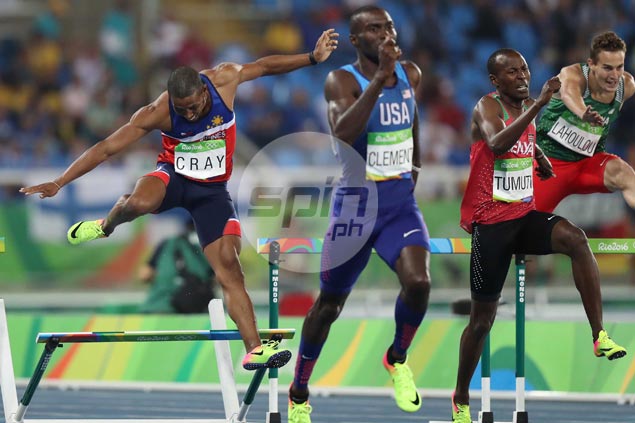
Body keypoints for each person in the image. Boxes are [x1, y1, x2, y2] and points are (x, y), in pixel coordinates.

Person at [19, 29, 339, 371]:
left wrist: (311, 58)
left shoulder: (224, 79)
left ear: (205, 90)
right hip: (172, 178)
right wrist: (59, 181)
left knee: (230, 269)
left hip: (212, 193)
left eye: (194, 107)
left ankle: (254, 350)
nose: (188, 115)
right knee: (137, 204)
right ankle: (104, 226)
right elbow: (107, 148)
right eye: (181, 109)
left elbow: (263, 66)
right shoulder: (157, 111)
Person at [453, 48, 627, 423]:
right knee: (482, 321)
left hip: (523, 216)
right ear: (496, 81)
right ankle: (461, 398)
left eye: (525, 69)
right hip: (491, 225)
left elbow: (525, 144)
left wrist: (541, 160)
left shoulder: (530, 107)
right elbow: (498, 144)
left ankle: (599, 335)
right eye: (512, 73)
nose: (522, 76)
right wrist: (539, 106)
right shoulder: (487, 107)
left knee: (575, 239)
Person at [288, 6, 431, 422]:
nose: (385, 33)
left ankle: (397, 358)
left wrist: (415, 167)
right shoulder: (342, 81)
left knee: (419, 283)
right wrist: (380, 78)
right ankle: (299, 391)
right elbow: (344, 134)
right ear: (356, 40)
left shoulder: (412, 74)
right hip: (355, 209)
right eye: (374, 28)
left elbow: (412, 117)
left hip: (399, 206)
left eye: (388, 25)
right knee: (329, 306)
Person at [534, 31, 635, 213]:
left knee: (625, 174)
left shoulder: (626, 87)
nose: (614, 76)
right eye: (607, 68)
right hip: (548, 166)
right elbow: (569, 93)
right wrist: (583, 113)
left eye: (619, 67)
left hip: (588, 163)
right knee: (518, 225)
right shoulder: (572, 74)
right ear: (592, 65)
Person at [138, 219, 217, 314]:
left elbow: (144, 275)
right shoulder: (209, 247)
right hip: (191, 312)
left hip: (156, 308)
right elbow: (218, 279)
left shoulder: (168, 243)